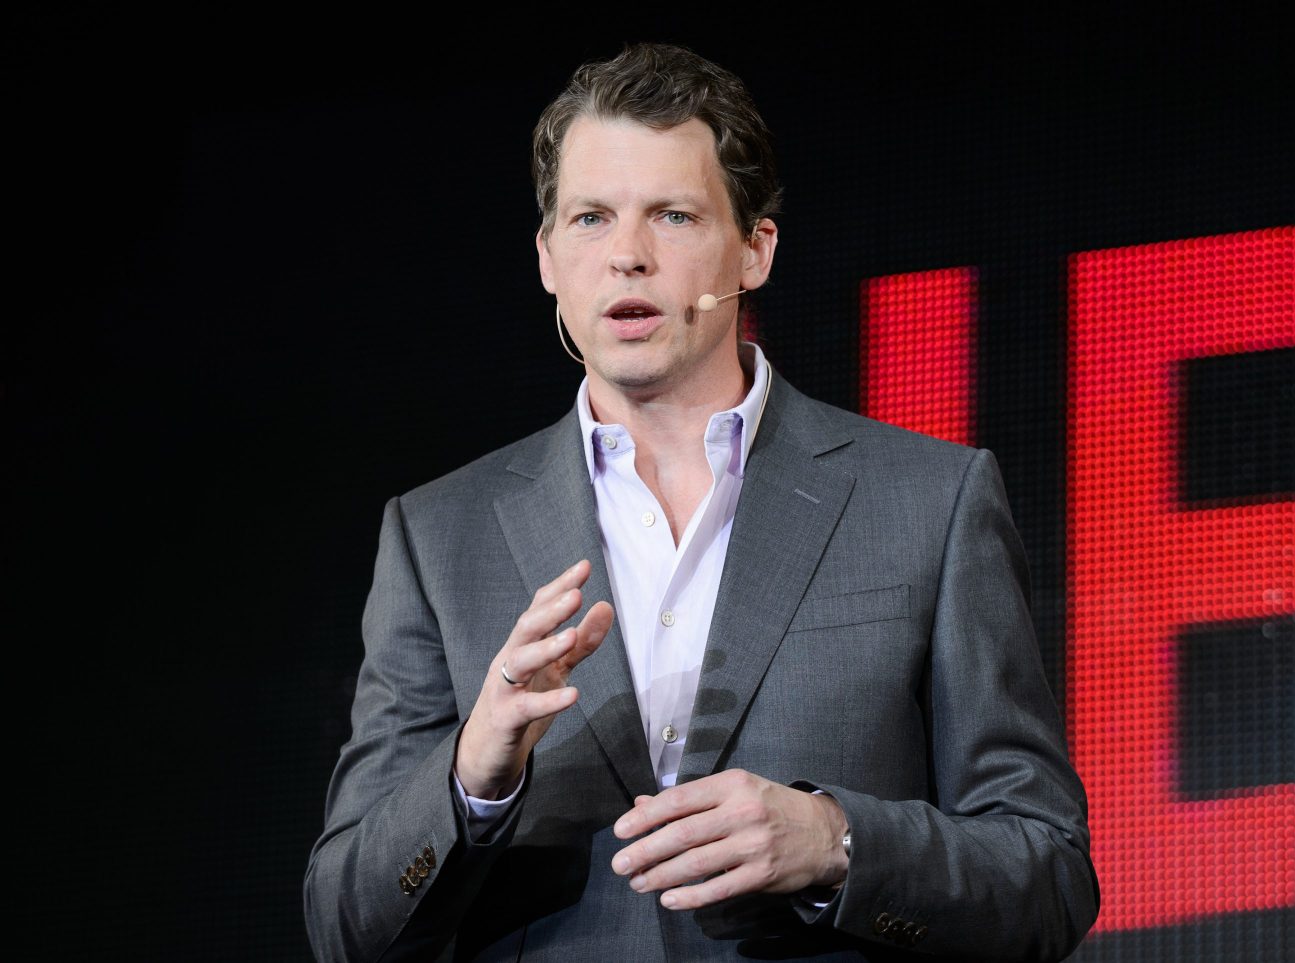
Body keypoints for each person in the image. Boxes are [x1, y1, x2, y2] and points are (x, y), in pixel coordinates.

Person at [304, 42, 1099, 962]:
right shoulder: (438, 535)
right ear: (548, 259)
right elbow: (342, 924)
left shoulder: (931, 501)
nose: (627, 257)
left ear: (755, 250)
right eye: (591, 218)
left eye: (673, 216)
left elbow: (1048, 874)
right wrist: (470, 775)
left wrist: (835, 843)